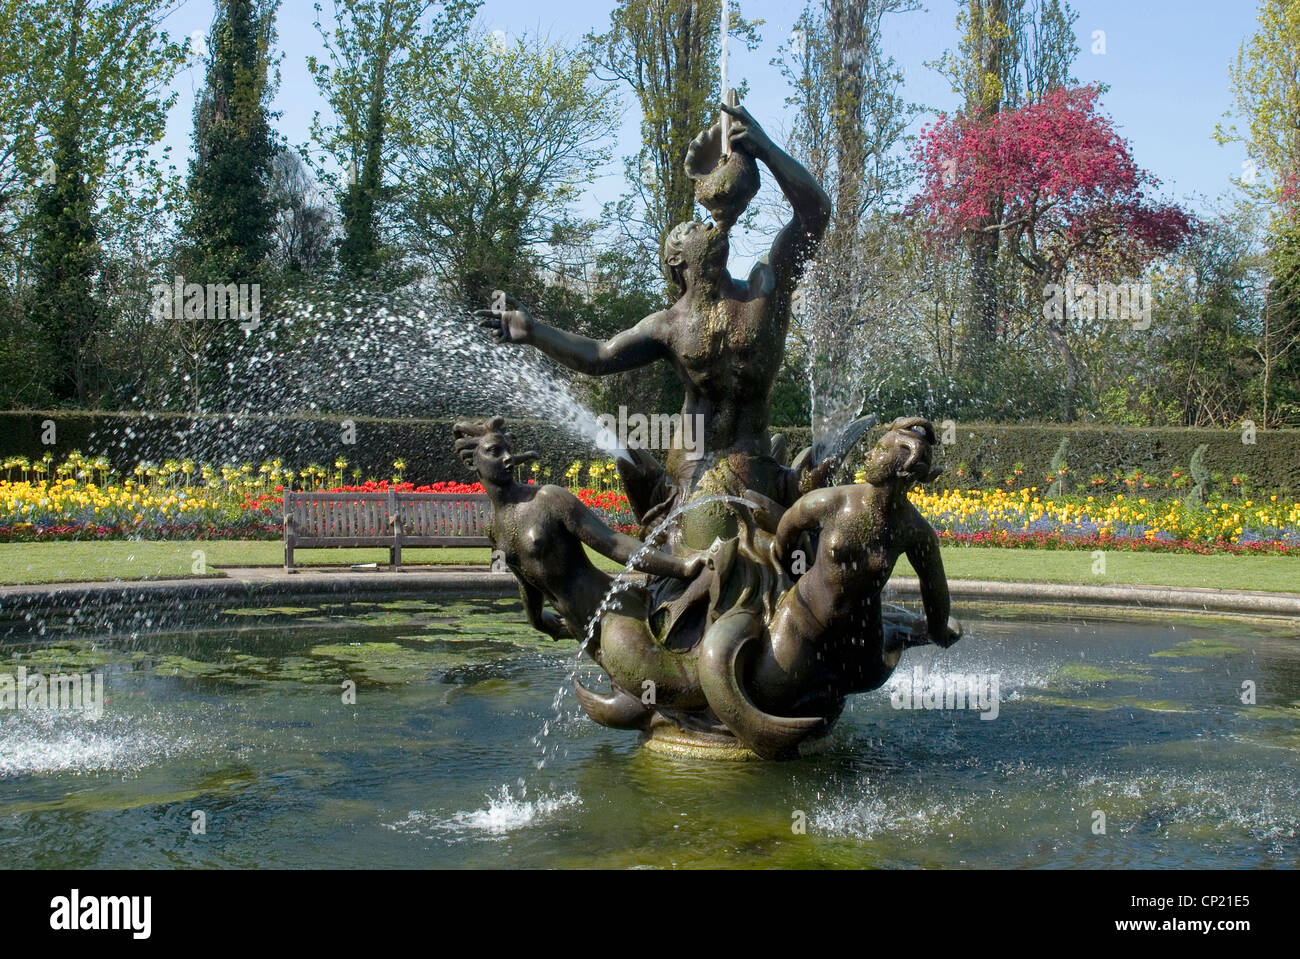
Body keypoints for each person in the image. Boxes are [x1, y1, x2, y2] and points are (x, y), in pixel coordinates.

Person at [475, 101, 831, 547]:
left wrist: (765, 149)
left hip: (758, 469)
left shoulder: (765, 289)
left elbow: (816, 214)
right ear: (678, 261)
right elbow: (599, 356)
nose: (707, 224)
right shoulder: (669, 325)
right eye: (694, 227)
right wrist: (532, 331)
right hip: (692, 478)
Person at [453, 416, 703, 643]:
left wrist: (681, 568)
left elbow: (614, 544)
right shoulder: (495, 530)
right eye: (495, 452)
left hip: (617, 617)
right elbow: (526, 578)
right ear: (470, 462)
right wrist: (536, 619)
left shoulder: (548, 499)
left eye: (508, 450)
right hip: (583, 630)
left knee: (652, 691)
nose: (507, 458)